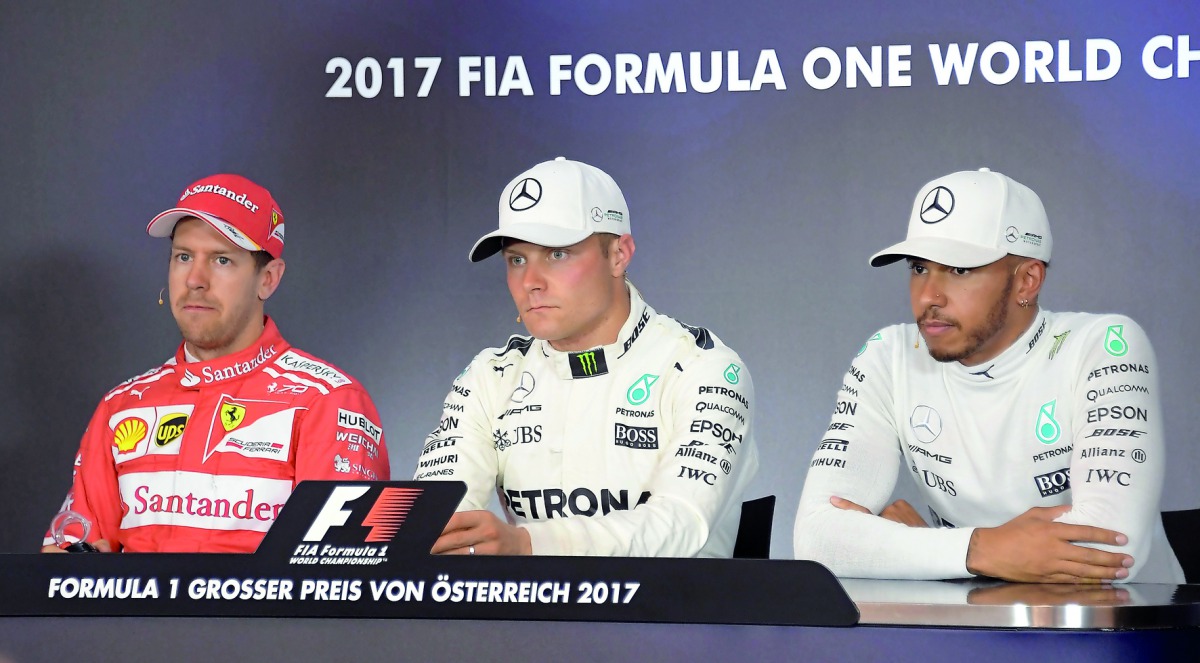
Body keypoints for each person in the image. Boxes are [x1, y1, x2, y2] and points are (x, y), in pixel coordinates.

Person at [793, 168, 1184, 583]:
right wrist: (976, 550)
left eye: (959, 270)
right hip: (977, 635)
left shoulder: (1102, 344)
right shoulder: (888, 356)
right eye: (919, 268)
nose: (928, 296)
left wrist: (919, 551)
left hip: (1128, 635)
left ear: (1027, 280)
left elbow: (1108, 552)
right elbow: (817, 541)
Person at [415, 157, 758, 556]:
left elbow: (681, 523)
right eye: (517, 260)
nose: (531, 283)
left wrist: (527, 545)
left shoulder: (705, 369)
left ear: (619, 254)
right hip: (533, 618)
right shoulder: (489, 377)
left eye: (557, 254)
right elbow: (434, 521)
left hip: (677, 616)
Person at [42, 174, 390, 553]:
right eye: (183, 257)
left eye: (222, 259)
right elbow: (68, 565)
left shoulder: (328, 401)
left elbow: (341, 579)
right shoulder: (122, 405)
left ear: (268, 280)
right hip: (137, 616)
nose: (195, 279)